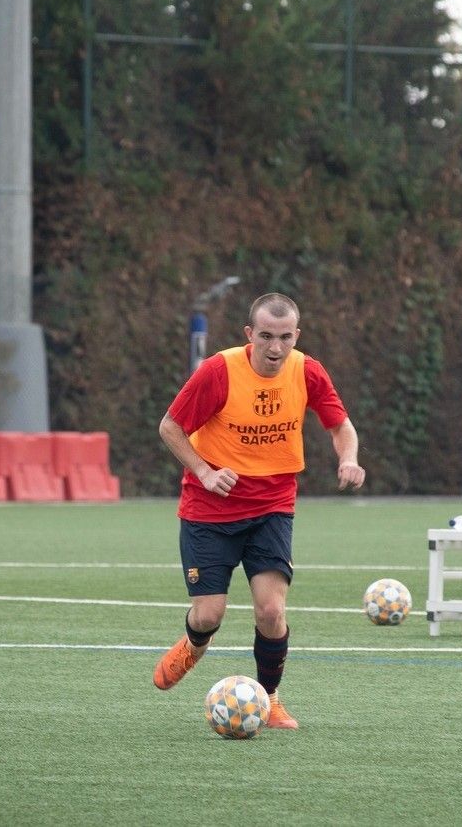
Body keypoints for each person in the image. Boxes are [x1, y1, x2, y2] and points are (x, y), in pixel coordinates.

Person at [153, 292, 367, 730]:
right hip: (208, 510)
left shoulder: (307, 370)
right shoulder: (219, 371)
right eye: (266, 336)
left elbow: (340, 425)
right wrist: (204, 470)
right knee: (209, 614)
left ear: (297, 335)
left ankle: (269, 701)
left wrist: (348, 458)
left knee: (271, 612)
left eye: (285, 337)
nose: (275, 348)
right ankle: (195, 642)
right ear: (249, 334)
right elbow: (170, 426)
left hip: (271, 507)